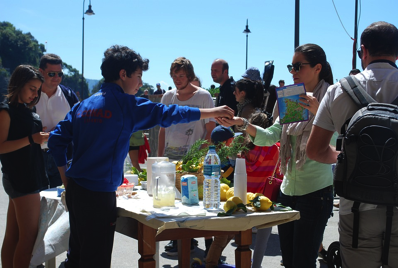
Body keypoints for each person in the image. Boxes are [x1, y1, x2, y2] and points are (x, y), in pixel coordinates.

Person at [47, 45, 234, 267]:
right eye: (137, 76)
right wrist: (212, 112)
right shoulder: (126, 104)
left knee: (76, 256)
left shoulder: (83, 105)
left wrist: (66, 179)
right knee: (94, 260)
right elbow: (169, 113)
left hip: (76, 191)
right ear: (123, 75)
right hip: (98, 196)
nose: (140, 83)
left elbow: (55, 140)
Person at [219, 43, 335, 268]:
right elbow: (271, 136)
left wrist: (318, 112)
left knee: (303, 262)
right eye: (291, 66)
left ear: (318, 67)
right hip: (287, 193)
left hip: (315, 194)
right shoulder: (292, 98)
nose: (292, 71)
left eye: (298, 66)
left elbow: (337, 140)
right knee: (290, 261)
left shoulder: (332, 96)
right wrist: (242, 123)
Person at [307, 21, 398, 268]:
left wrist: (349, 157)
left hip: (356, 208)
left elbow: (315, 150)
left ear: (364, 51)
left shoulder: (339, 91)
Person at [0, 65, 49, 267]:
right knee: (28, 238)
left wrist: (38, 137)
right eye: (31, 88)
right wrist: (32, 138)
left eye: (38, 89)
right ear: (18, 85)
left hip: (27, 175)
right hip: (21, 178)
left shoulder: (28, 110)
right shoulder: (6, 111)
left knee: (14, 235)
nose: (35, 94)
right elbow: (1, 147)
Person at [158, 57, 216, 160]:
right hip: (169, 160)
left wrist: (198, 158)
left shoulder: (204, 96)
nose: (177, 80)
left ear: (189, 76)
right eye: (174, 76)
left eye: (181, 76)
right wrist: (159, 159)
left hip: (193, 161)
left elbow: (210, 130)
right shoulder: (167, 97)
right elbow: (162, 130)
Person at [242, 112, 279, 268]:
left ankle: (241, 263)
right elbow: (278, 172)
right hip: (265, 199)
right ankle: (256, 265)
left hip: (245, 199)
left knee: (242, 238)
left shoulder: (243, 149)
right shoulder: (275, 149)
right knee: (263, 238)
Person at [36, 53, 79, 188]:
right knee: (34, 202)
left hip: (63, 157)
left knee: (62, 202)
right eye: (51, 74)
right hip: (35, 156)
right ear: (41, 72)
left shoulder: (69, 95)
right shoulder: (30, 94)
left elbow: (79, 123)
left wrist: (61, 132)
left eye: (59, 74)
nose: (56, 78)